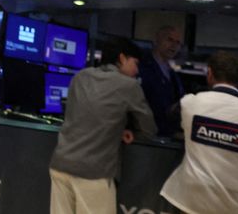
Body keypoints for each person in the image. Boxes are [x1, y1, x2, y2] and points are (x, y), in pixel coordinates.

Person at [49, 37, 157, 214]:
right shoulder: (129, 86)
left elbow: (79, 115)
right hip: (93, 173)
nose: (137, 70)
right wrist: (132, 134)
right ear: (122, 58)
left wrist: (118, 129)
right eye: (135, 63)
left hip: (60, 165)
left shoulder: (80, 76)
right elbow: (149, 129)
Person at [160, 51, 238, 214]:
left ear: (209, 73)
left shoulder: (191, 103)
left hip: (192, 198)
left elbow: (168, 118)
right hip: (232, 202)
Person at [139, 25, 185, 136]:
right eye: (170, 40)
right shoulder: (142, 67)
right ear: (156, 40)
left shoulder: (173, 75)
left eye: (178, 42)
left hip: (167, 133)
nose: (174, 45)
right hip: (146, 132)